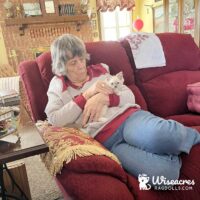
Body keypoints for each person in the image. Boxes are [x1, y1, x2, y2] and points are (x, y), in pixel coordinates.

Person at [45, 34, 200, 184]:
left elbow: (129, 96)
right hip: (108, 142)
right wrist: (87, 95)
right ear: (62, 67)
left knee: (164, 135)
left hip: (128, 120)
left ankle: (191, 136)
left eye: (81, 59)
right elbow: (54, 120)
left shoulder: (100, 71)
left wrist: (106, 98)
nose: (80, 66)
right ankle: (170, 149)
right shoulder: (58, 85)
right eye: (73, 63)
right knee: (164, 177)